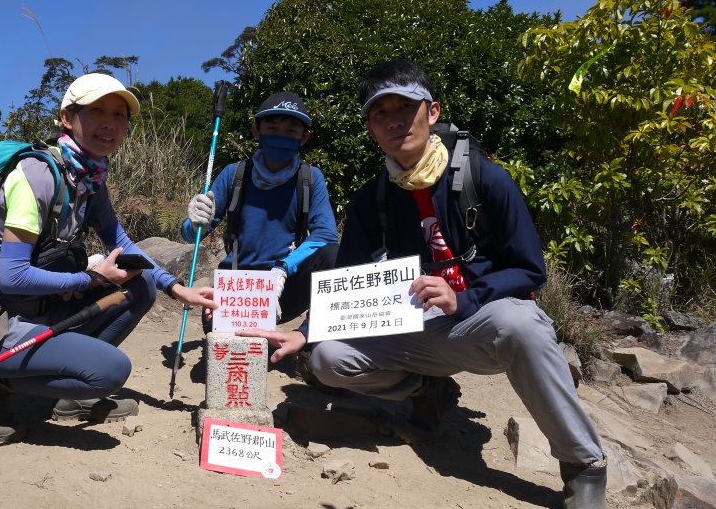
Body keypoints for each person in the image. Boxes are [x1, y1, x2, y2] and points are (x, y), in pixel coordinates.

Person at [241, 61, 608, 509]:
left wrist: (465, 296)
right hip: (411, 325)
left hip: (477, 321)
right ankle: (423, 390)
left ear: (431, 112)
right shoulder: (373, 197)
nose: (395, 120)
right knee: (327, 359)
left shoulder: (485, 177)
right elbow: (347, 281)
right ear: (371, 127)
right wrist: (305, 330)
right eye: (381, 113)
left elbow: (531, 271)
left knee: (526, 326)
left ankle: (583, 464)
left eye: (406, 108)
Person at [0, 73, 217, 442]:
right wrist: (93, 279)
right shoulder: (37, 176)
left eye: (120, 114)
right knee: (111, 371)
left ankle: (66, 396)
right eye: (97, 110)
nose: (110, 122)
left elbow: (121, 242)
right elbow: (12, 277)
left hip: (36, 312)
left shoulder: (88, 180)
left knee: (141, 287)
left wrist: (178, 290)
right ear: (66, 117)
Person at [181, 92, 338, 333]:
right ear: (256, 130)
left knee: (333, 255)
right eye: (272, 128)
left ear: (304, 137)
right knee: (226, 346)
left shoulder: (310, 178)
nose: (280, 137)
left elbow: (326, 236)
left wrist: (283, 268)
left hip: (284, 287)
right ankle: (233, 322)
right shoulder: (235, 174)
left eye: (291, 131)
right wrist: (193, 223)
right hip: (238, 288)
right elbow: (193, 235)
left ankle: (310, 342)